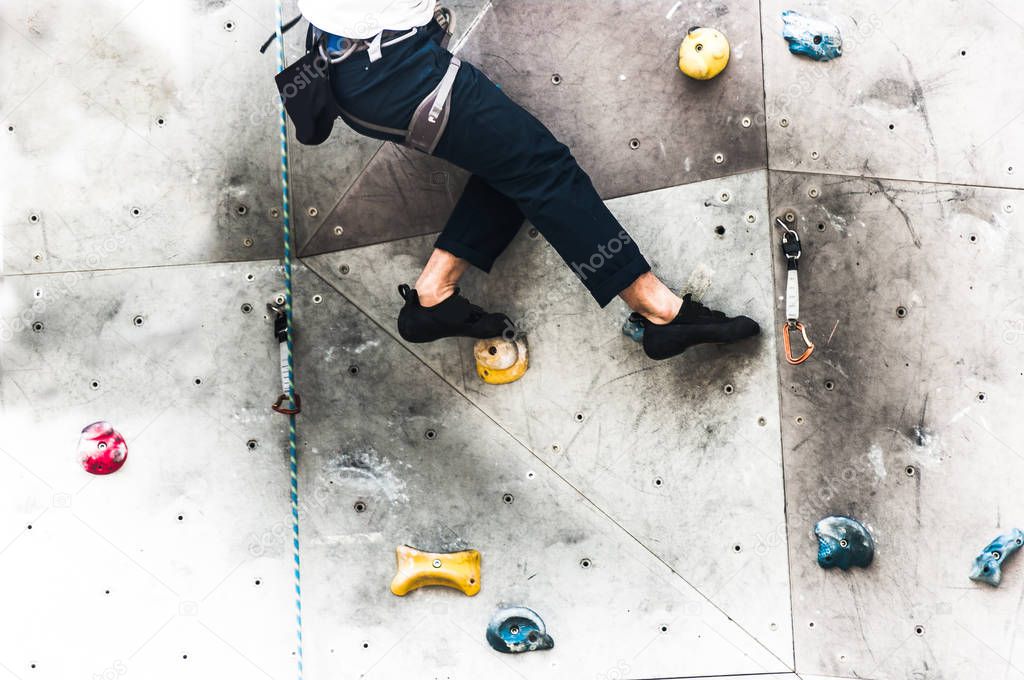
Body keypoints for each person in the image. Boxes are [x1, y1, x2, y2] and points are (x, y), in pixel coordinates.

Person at [296, 0, 760, 360]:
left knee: (513, 163)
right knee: (544, 170)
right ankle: (659, 310)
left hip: (349, 68)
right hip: (392, 72)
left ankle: (432, 296)